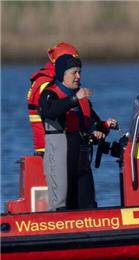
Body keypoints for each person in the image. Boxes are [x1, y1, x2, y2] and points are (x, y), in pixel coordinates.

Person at [38, 54, 117, 211]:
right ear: (62, 74)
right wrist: (74, 99)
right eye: (74, 72)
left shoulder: (82, 98)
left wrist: (102, 128)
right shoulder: (49, 94)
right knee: (61, 204)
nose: (78, 76)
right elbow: (49, 111)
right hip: (60, 156)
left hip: (81, 158)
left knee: (88, 205)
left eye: (79, 72)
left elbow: (92, 123)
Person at [26, 42, 80, 156]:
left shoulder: (48, 81)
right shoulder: (47, 85)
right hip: (49, 149)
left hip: (53, 146)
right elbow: (50, 110)